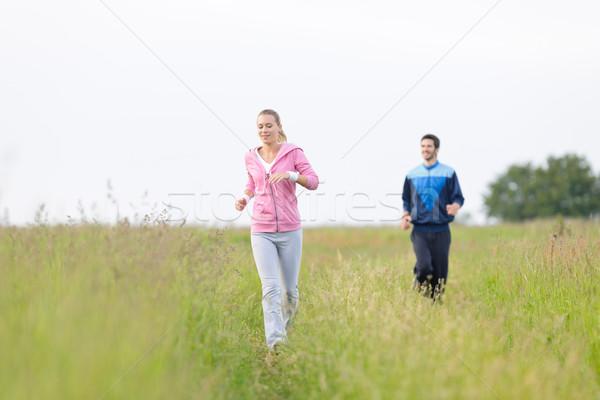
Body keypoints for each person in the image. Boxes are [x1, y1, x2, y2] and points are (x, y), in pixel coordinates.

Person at [235, 109, 319, 349]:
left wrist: (291, 175)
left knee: (289, 291)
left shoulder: (293, 152)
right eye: (260, 126)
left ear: (279, 127)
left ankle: (288, 335)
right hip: (261, 230)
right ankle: (276, 345)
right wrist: (245, 198)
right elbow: (252, 182)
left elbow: (313, 181)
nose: (264, 131)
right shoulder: (251, 156)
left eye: (269, 126)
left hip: (290, 230)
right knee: (270, 288)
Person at [401, 134, 464, 299]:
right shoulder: (411, 174)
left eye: (428, 146)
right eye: (422, 146)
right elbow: (406, 199)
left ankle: (434, 305)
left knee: (440, 275)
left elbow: (458, 198)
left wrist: (455, 207)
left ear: (436, 149)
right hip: (420, 230)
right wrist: (405, 216)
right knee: (424, 267)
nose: (425, 149)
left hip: (442, 230)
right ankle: (420, 293)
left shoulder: (448, 173)